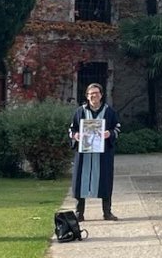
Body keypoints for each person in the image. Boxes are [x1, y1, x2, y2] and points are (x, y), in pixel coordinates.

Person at [69, 83, 120, 222]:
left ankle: (107, 212)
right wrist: (76, 136)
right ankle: (79, 213)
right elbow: (71, 129)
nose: (93, 96)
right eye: (90, 94)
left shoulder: (109, 112)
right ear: (87, 96)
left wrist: (109, 133)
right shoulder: (80, 111)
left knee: (105, 181)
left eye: (96, 93)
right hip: (84, 154)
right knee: (81, 181)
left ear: (101, 95)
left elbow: (117, 128)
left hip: (103, 154)